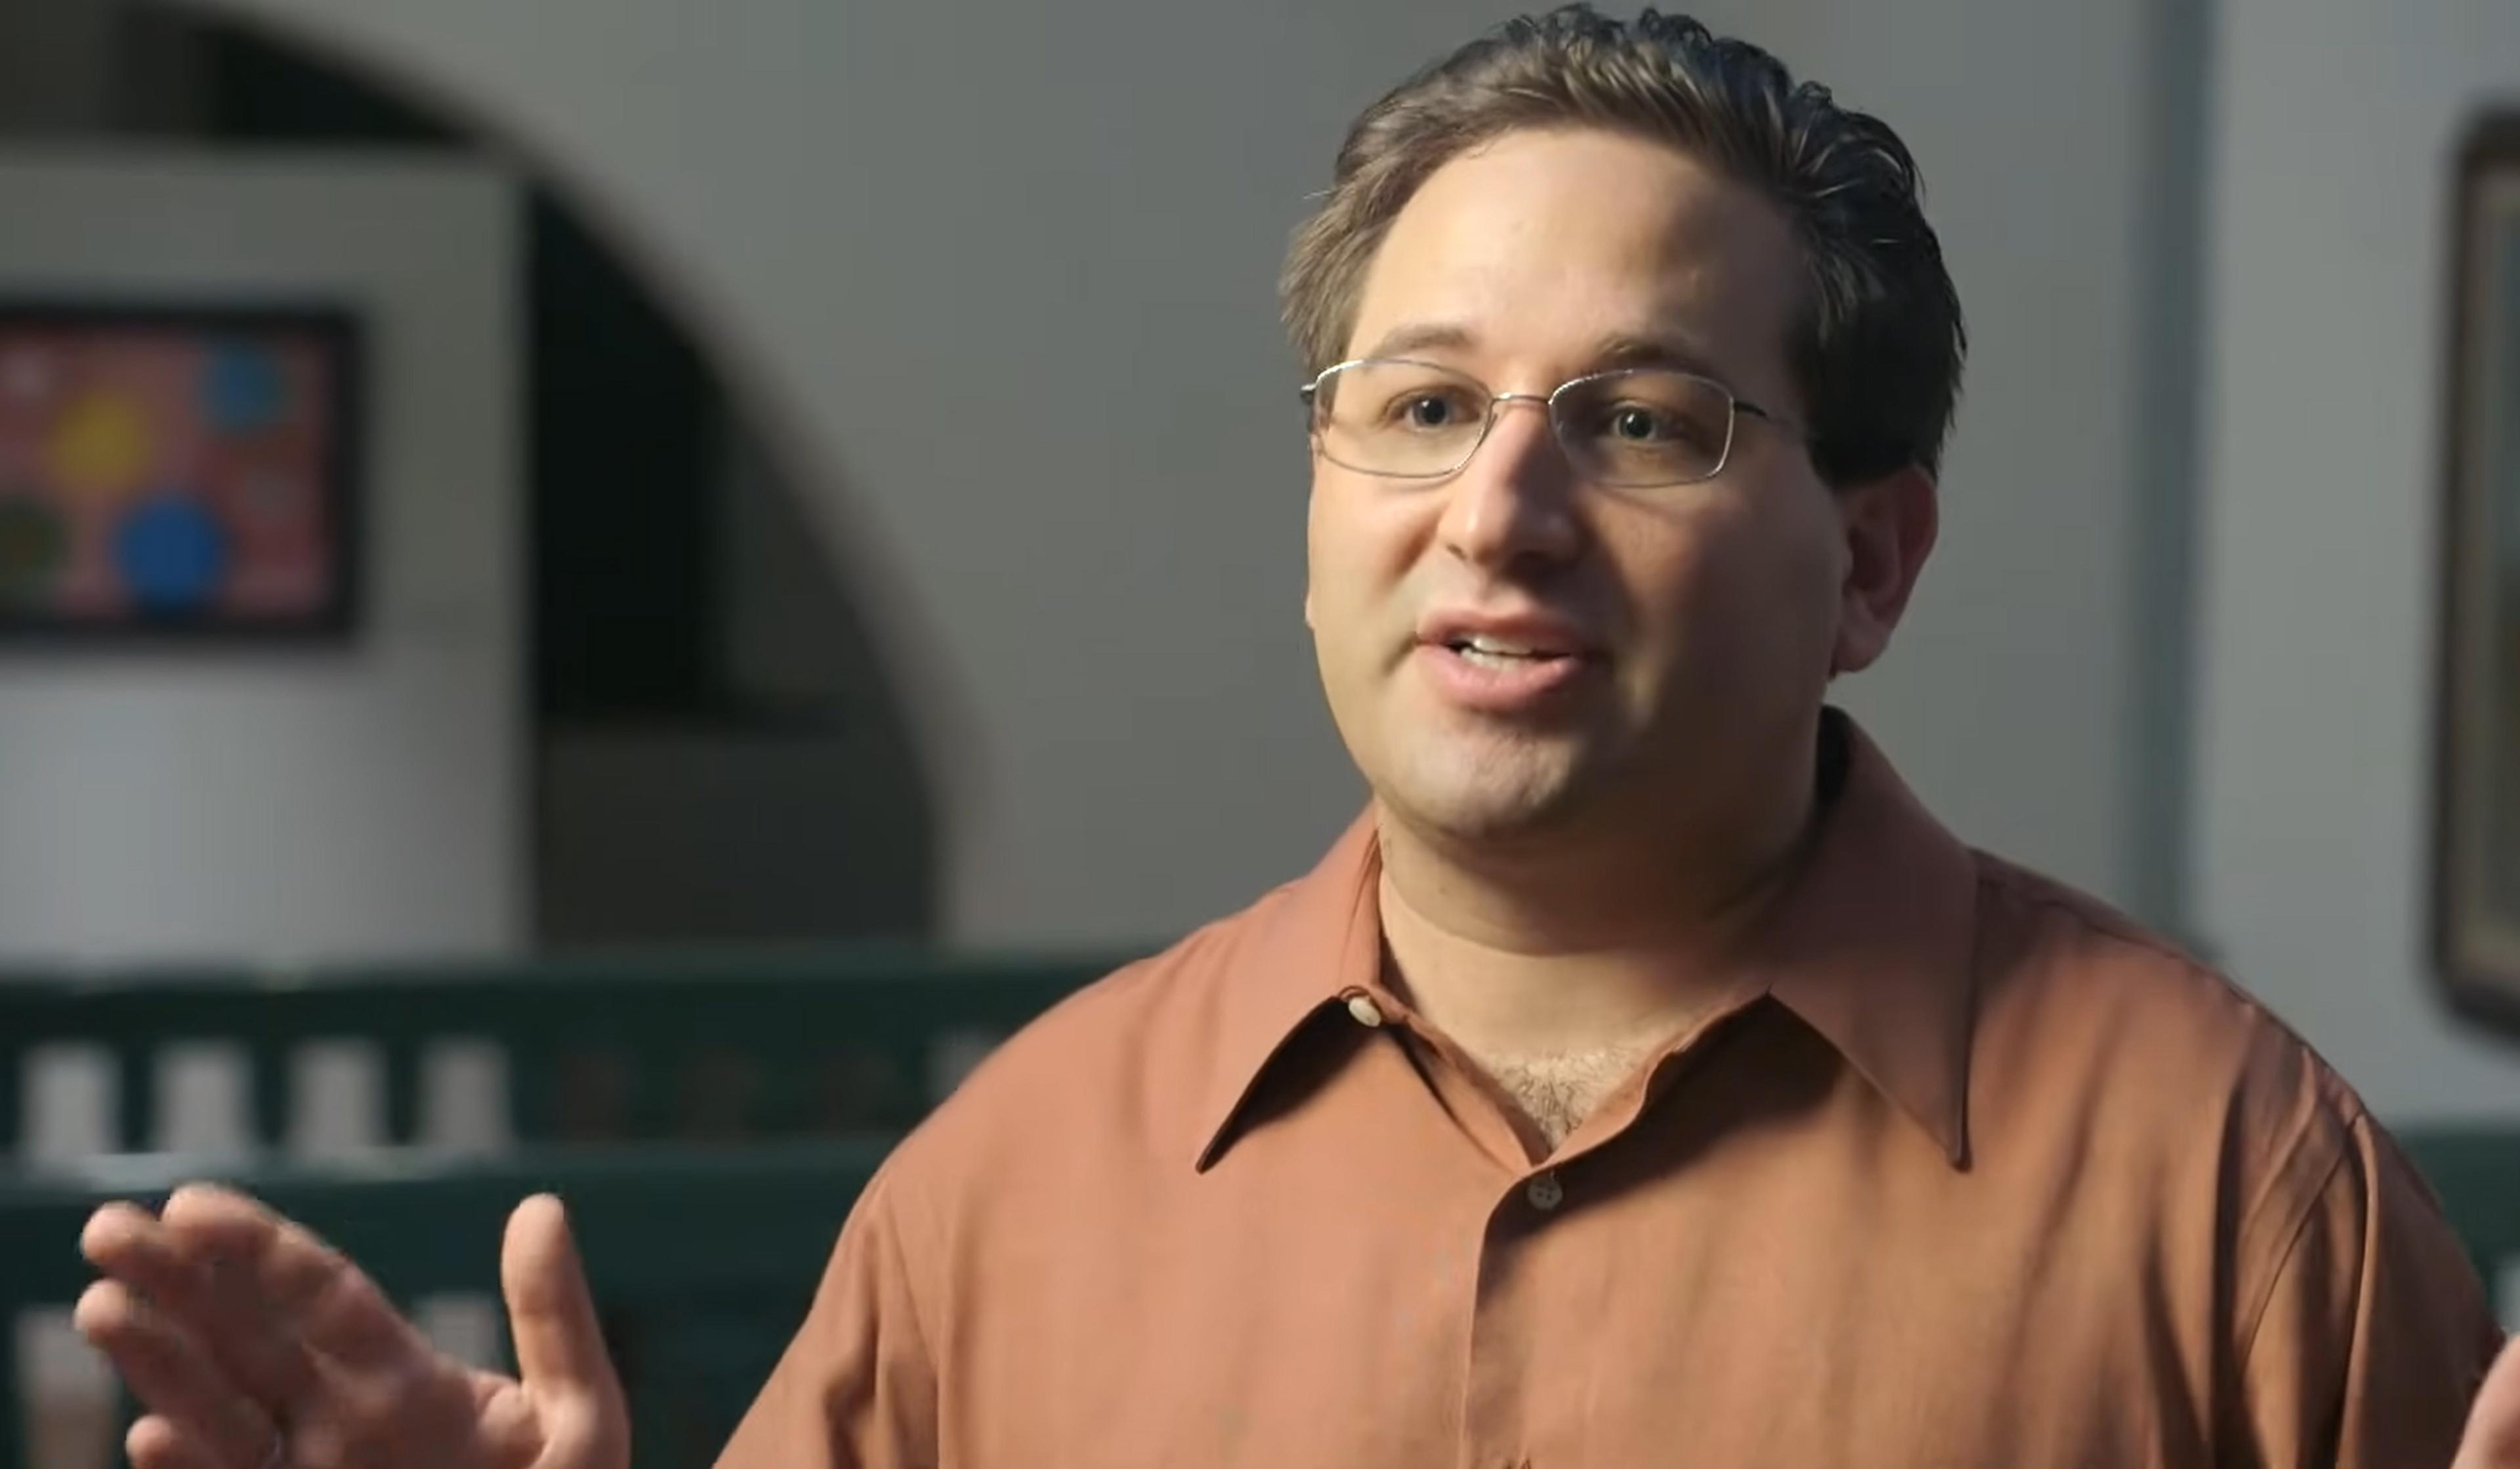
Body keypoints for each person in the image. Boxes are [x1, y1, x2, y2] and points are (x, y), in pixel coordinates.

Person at [66, 7, 2520, 1467]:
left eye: (1646, 422)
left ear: (1873, 564)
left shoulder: (2226, 1195)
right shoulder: (1014, 1192)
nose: (1504, 513)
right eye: (1422, 406)